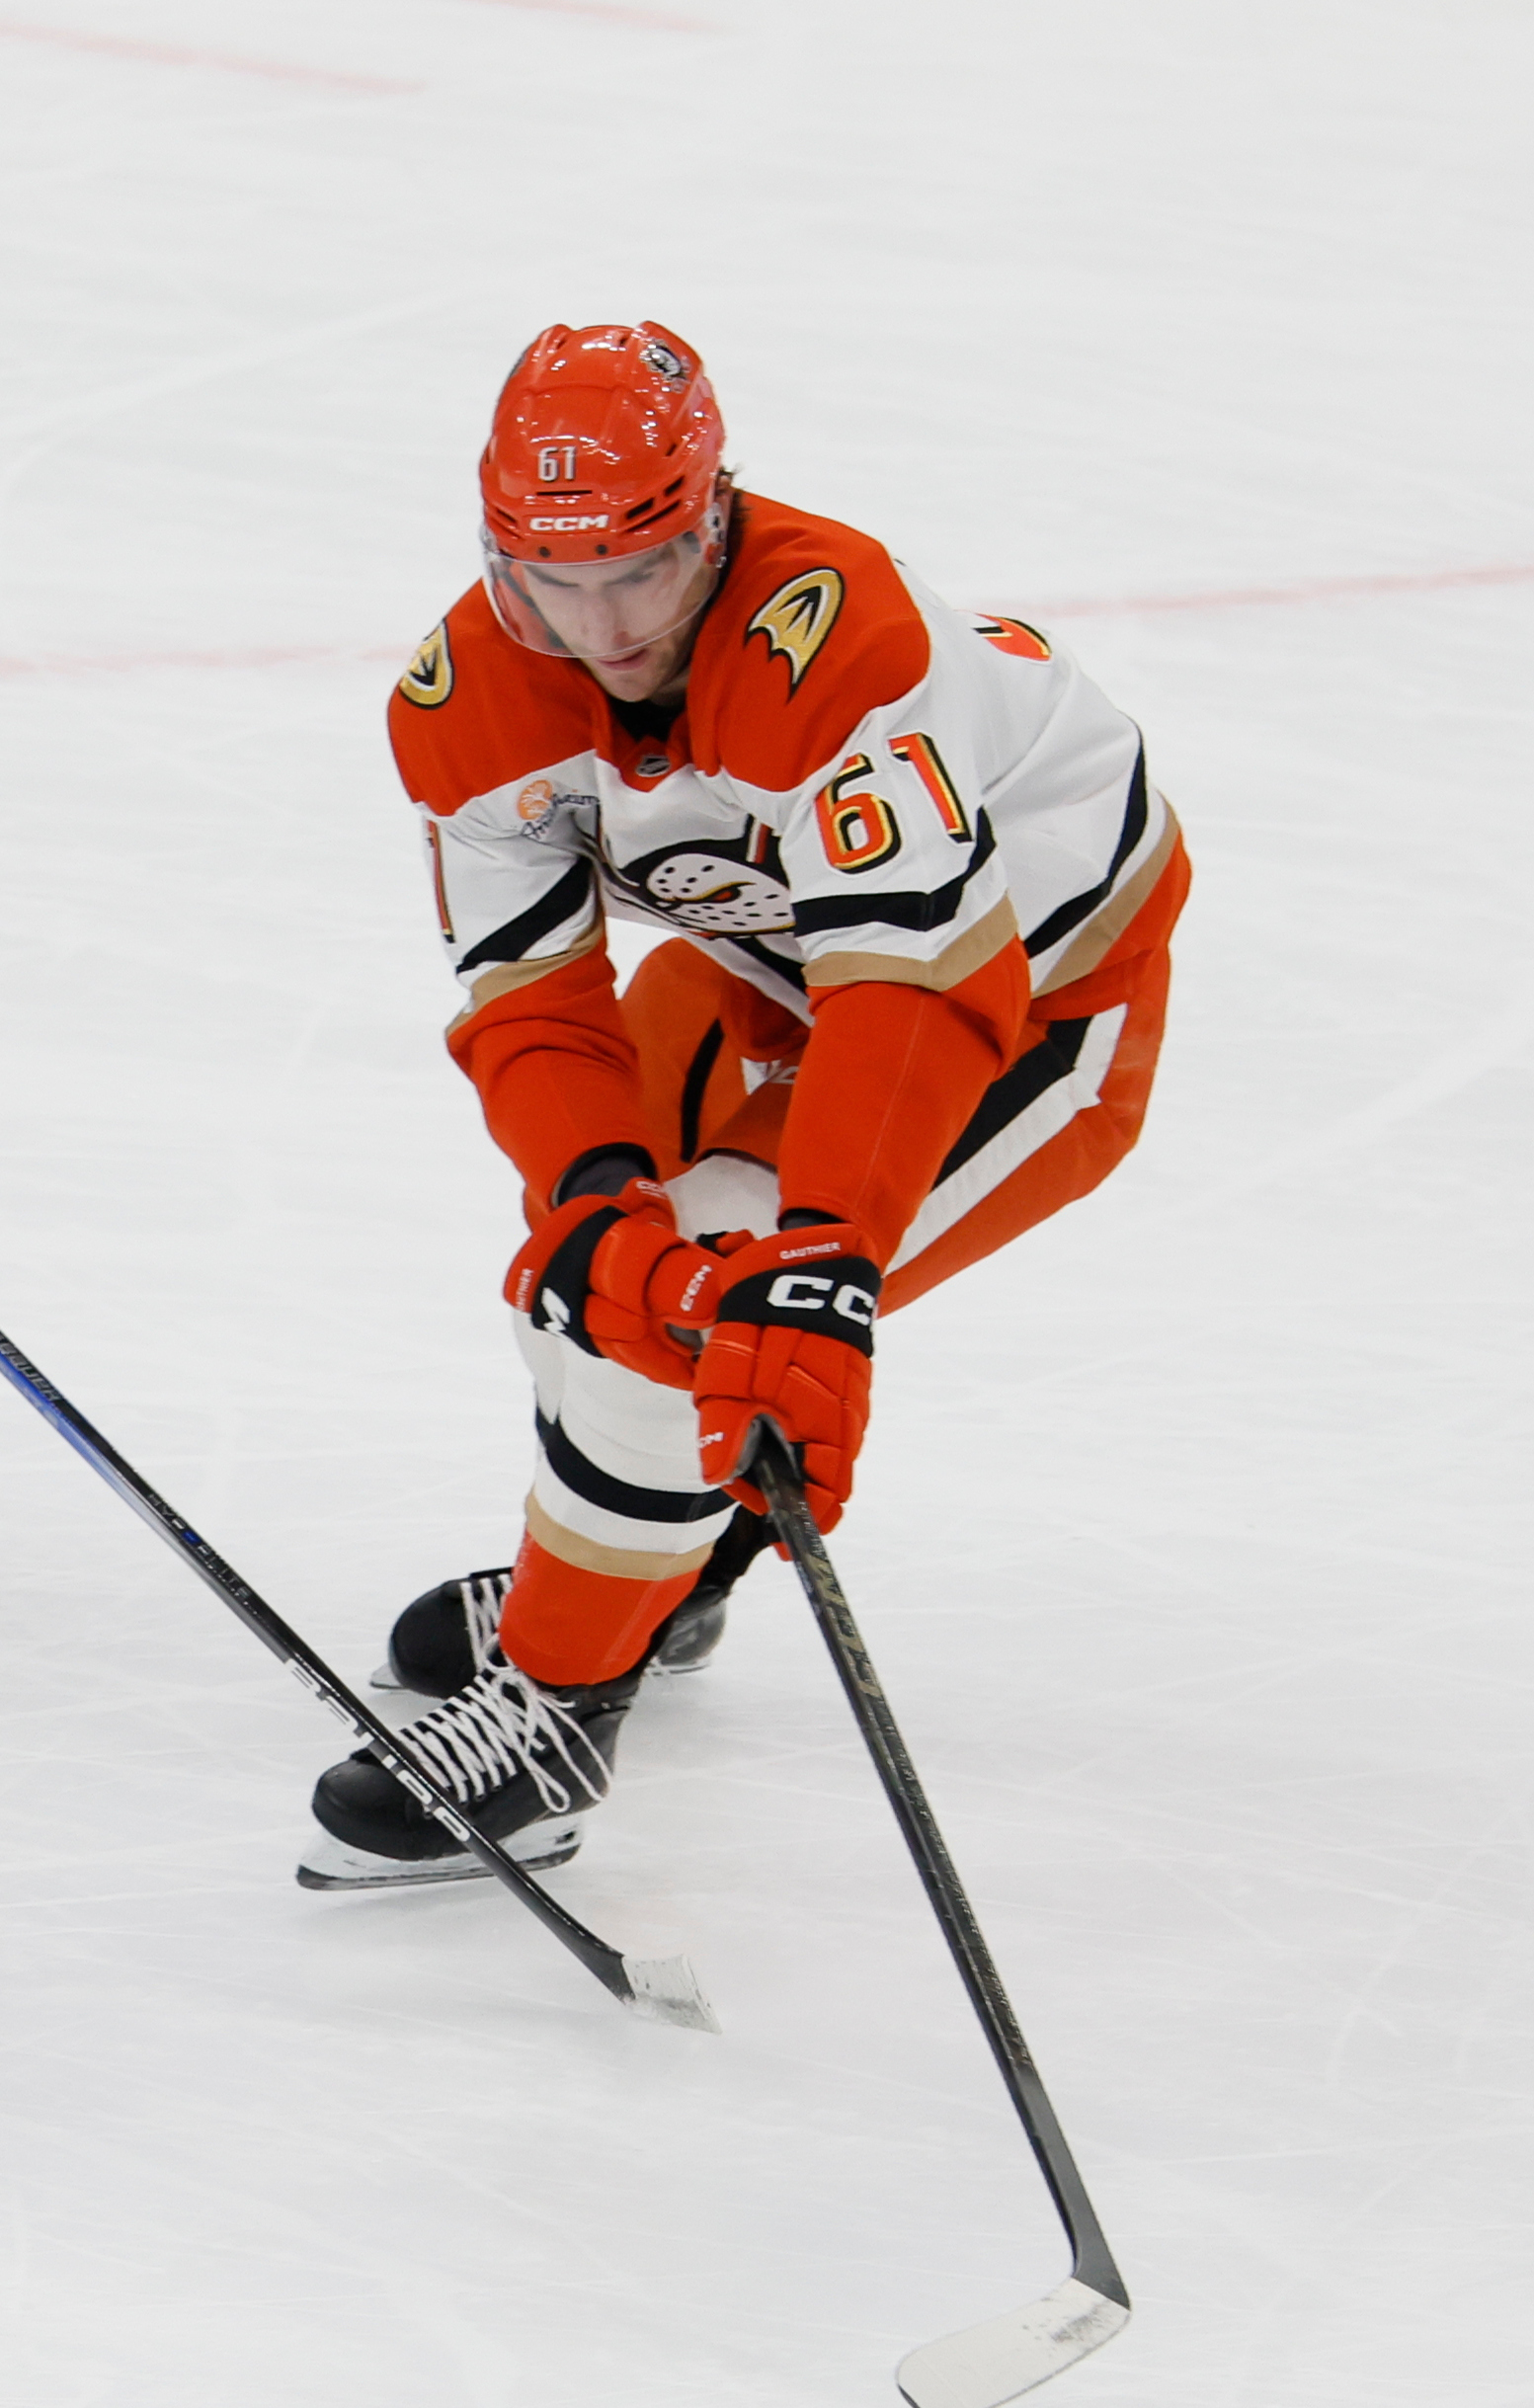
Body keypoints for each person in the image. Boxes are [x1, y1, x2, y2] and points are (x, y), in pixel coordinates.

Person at [298, 321, 1188, 1887]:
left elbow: (915, 991)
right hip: (771, 973)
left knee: (715, 1287)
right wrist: (591, 1202)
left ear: (714, 517)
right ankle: (660, 1569)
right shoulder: (467, 694)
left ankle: (560, 1711)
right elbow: (530, 1003)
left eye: (640, 573)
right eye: (551, 581)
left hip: (1024, 1009)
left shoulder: (839, 643)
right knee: (598, 1282)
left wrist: (823, 1261)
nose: (600, 630)